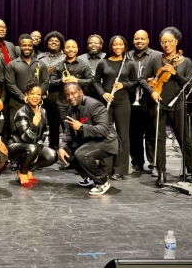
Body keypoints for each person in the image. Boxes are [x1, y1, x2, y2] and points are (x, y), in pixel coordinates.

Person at [94, 35, 156, 180]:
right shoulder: (103, 62)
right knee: (106, 135)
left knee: (123, 136)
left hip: (123, 102)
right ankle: (106, 167)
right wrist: (103, 94)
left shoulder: (128, 63)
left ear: (124, 46)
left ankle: (120, 170)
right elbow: (96, 82)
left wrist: (123, 85)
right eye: (115, 45)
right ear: (110, 46)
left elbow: (136, 82)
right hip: (106, 102)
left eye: (120, 45)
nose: (117, 47)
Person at [148, 27, 192, 187]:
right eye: (163, 42)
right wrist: (152, 90)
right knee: (159, 139)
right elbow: (147, 80)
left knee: (183, 139)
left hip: (178, 104)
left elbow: (190, 85)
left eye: (169, 41)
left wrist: (175, 73)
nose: (165, 45)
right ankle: (162, 172)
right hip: (159, 102)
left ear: (176, 42)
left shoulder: (186, 62)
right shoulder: (156, 60)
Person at [58, 83, 119, 196]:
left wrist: (81, 127)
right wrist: (61, 147)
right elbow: (67, 133)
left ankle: (102, 181)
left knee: (81, 153)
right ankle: (89, 178)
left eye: (73, 93)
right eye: (67, 95)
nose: (70, 97)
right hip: (90, 139)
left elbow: (104, 130)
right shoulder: (71, 109)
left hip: (107, 141)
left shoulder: (94, 105)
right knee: (67, 151)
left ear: (81, 92)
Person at [7, 79, 58, 187]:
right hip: (16, 147)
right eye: (32, 94)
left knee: (52, 155)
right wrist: (34, 124)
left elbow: (45, 132)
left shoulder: (42, 111)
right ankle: (22, 172)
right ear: (26, 95)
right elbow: (26, 139)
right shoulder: (21, 113)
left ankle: (29, 169)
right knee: (32, 148)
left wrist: (38, 150)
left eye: (38, 94)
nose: (35, 97)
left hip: (33, 147)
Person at [126, 30, 163, 174]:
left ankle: (154, 164)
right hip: (132, 100)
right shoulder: (127, 56)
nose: (139, 41)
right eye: (136, 39)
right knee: (134, 134)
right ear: (133, 40)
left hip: (149, 101)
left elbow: (161, 76)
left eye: (142, 39)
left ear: (148, 40)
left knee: (151, 134)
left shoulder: (156, 55)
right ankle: (137, 163)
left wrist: (152, 81)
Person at [5, 34, 49, 142]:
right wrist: (22, 97)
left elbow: (46, 82)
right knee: (15, 132)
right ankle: (15, 155)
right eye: (24, 45)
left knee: (35, 128)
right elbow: (10, 84)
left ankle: (34, 152)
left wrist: (36, 96)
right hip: (16, 103)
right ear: (19, 46)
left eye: (30, 45)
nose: (27, 47)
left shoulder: (41, 64)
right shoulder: (12, 64)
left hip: (35, 103)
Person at [38, 31, 66, 150]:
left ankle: (53, 147)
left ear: (61, 44)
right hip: (40, 92)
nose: (53, 42)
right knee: (39, 121)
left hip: (56, 93)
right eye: (51, 40)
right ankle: (37, 147)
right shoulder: (40, 57)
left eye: (56, 41)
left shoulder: (65, 57)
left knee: (54, 122)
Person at [77, 34, 106, 102]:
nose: (93, 44)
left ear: (101, 45)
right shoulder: (80, 59)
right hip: (85, 94)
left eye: (96, 43)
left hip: (103, 93)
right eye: (91, 43)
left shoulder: (107, 58)